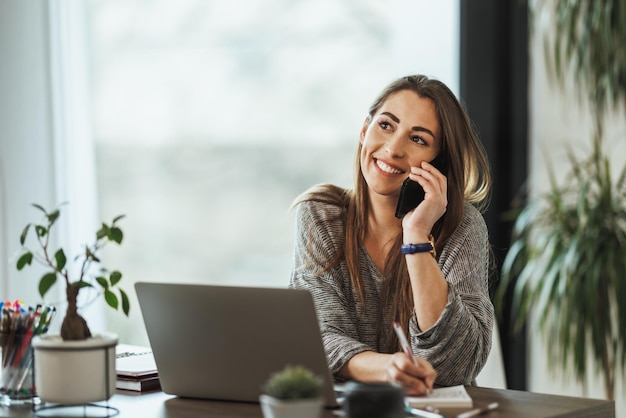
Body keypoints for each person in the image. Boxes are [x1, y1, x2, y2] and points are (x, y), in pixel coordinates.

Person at [289, 75, 494, 396]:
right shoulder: (321, 213)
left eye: (419, 139)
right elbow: (318, 337)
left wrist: (416, 236)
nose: (394, 148)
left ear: (437, 164)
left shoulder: (462, 225)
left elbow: (456, 364)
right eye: (386, 125)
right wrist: (391, 369)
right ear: (364, 129)